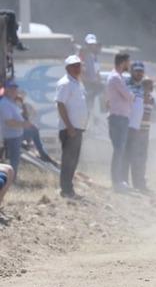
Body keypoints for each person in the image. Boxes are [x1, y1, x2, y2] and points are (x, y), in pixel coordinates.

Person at [55, 54, 89, 199]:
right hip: (70, 128)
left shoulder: (77, 83)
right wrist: (69, 126)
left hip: (77, 128)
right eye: (74, 66)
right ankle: (66, 190)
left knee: (73, 160)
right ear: (68, 68)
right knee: (68, 160)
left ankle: (69, 188)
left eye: (79, 65)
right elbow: (60, 104)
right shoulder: (65, 83)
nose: (77, 68)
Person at [106, 53, 134, 191]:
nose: (129, 64)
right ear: (123, 63)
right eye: (128, 62)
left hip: (119, 117)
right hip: (118, 117)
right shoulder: (116, 78)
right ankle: (116, 181)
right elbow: (128, 96)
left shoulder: (117, 77)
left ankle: (117, 181)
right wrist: (132, 96)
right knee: (119, 150)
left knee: (119, 150)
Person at [124, 77, 154, 192]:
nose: (151, 88)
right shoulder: (137, 98)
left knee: (142, 158)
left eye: (151, 86)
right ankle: (133, 182)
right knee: (134, 158)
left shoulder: (151, 99)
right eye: (149, 85)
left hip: (145, 131)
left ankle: (140, 182)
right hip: (136, 131)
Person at [0, 81, 34, 176]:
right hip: (11, 135)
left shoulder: (12, 102)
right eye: (12, 89)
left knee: (34, 131)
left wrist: (26, 124)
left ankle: (34, 146)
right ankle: (12, 179)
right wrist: (24, 124)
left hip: (17, 133)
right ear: (6, 90)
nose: (14, 91)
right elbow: (9, 122)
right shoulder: (4, 104)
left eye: (15, 89)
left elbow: (20, 116)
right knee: (14, 159)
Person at [16, 89, 58, 166]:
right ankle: (42, 153)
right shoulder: (14, 107)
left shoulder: (23, 107)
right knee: (34, 131)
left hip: (18, 133)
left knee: (34, 130)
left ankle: (42, 152)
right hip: (14, 135)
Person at [79, 33, 103, 115]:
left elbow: (97, 72)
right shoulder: (82, 56)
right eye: (89, 44)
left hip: (93, 87)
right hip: (86, 86)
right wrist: (90, 81)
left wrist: (98, 82)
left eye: (93, 44)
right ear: (86, 44)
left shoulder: (94, 57)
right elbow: (80, 72)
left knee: (92, 109)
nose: (91, 46)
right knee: (87, 109)